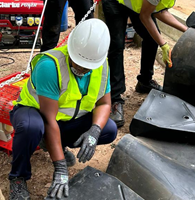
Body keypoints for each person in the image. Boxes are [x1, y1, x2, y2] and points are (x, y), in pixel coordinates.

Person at [8, 18, 118, 200]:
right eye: (78, 63)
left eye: (87, 66)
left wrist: (94, 131)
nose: (82, 69)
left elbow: (104, 104)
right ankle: (18, 178)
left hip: (65, 119)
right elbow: (49, 119)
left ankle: (54, 144)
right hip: (35, 113)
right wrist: (60, 167)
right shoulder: (50, 66)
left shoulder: (101, 65)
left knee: (108, 130)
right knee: (31, 128)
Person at [103, 0, 188, 127]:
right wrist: (163, 44)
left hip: (136, 5)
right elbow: (145, 16)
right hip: (115, 2)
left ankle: (145, 81)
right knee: (116, 45)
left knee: (151, 38)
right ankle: (115, 98)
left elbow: (160, 11)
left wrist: (187, 30)